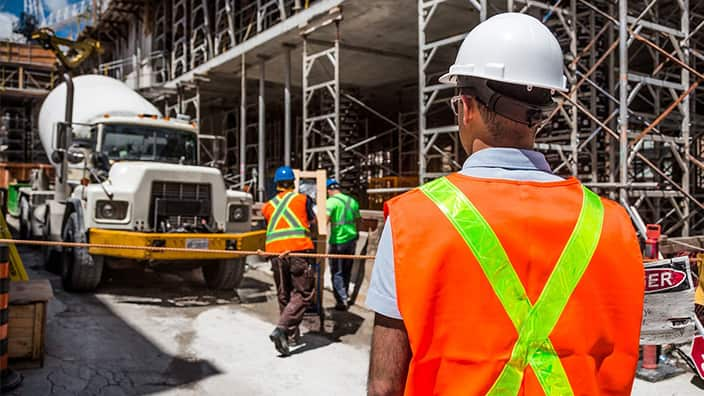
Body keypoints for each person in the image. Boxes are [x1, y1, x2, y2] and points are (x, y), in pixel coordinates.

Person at [366, 13, 644, 396]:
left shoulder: (411, 221)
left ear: (465, 107)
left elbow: (384, 386)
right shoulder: (612, 224)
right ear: (542, 116)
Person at [262, 165, 316, 356]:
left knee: (284, 293)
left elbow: (270, 227)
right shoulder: (303, 199)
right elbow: (312, 221)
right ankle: (282, 329)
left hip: (275, 254)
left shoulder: (267, 206)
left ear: (276, 184)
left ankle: (290, 337)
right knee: (304, 293)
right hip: (298, 251)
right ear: (293, 183)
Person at [326, 178, 361, 310]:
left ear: (329, 190)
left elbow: (325, 220)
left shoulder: (330, 202)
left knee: (337, 271)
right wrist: (356, 233)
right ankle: (345, 295)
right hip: (351, 241)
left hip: (337, 242)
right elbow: (359, 220)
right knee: (347, 270)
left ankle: (341, 301)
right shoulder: (352, 201)